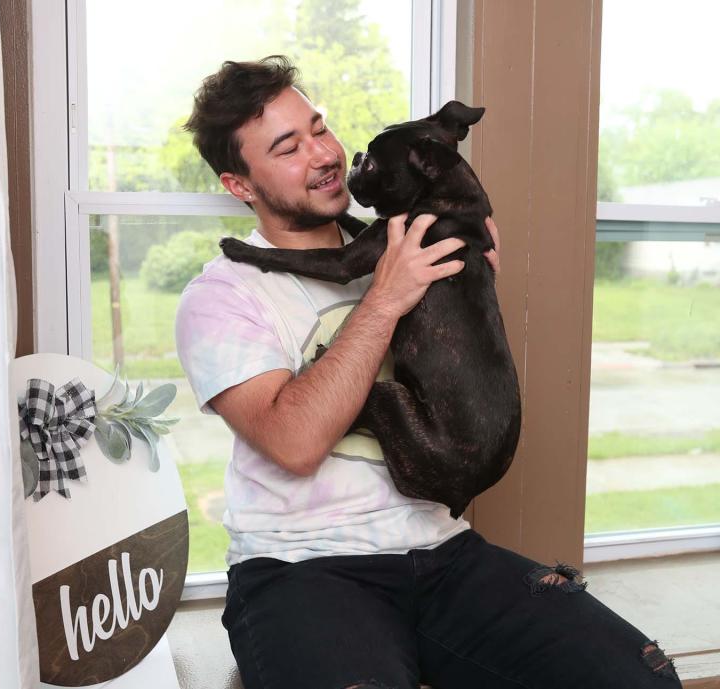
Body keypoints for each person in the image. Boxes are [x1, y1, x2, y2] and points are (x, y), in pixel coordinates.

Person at [174, 55, 679, 689]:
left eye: (319, 128)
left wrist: (469, 287)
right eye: (288, 147)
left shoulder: (419, 240)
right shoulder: (222, 295)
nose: (325, 153)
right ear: (240, 185)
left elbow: (460, 381)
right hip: (304, 569)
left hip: (443, 552)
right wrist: (386, 297)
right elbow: (294, 443)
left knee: (640, 681)